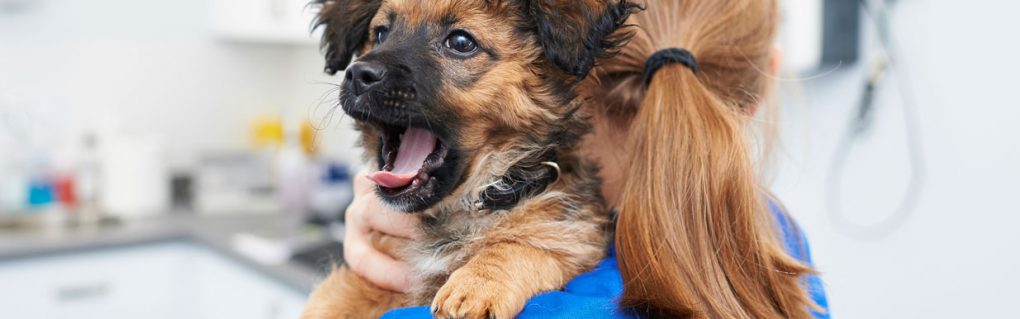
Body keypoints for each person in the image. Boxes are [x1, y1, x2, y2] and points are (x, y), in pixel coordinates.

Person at [341, 0, 830, 318]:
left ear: (564, 73)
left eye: (461, 43)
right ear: (766, 79)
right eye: (381, 33)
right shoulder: (778, 246)